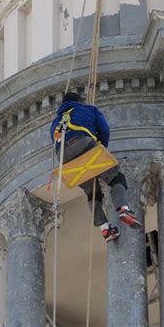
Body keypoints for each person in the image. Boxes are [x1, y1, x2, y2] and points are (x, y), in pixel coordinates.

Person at [50, 92, 141, 242]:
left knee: (91, 191)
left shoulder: (55, 122)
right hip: (84, 144)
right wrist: (101, 150)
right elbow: (104, 130)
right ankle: (124, 209)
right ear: (79, 101)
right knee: (115, 177)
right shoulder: (89, 109)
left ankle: (105, 229)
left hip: (65, 159)